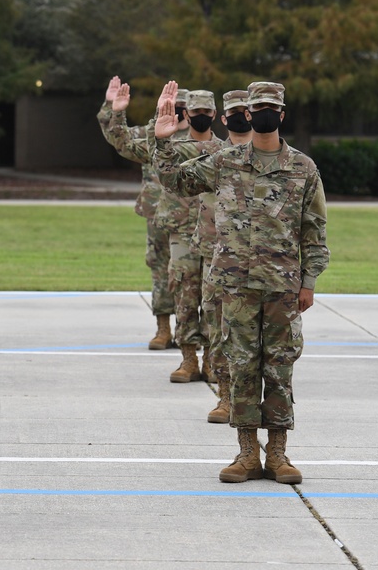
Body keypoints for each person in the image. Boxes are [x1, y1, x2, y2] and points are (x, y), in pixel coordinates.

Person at [152, 80, 329, 484]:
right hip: (234, 286)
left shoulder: (303, 168)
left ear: (282, 115)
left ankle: (279, 455)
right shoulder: (226, 162)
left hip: (283, 288)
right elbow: (175, 181)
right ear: (247, 116)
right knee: (241, 366)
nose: (264, 114)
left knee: (280, 367)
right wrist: (162, 142)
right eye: (257, 107)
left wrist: (309, 281)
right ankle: (248, 453)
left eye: (272, 107)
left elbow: (314, 230)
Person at [147, 89, 225, 385]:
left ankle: (212, 361)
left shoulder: (225, 150)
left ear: (214, 115)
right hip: (181, 232)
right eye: (196, 112)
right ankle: (189, 358)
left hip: (212, 233)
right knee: (184, 294)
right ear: (187, 114)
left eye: (207, 112)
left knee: (213, 299)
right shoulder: (174, 148)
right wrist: (160, 134)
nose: (201, 117)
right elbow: (160, 168)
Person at [97, 77, 181, 350]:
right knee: (159, 268)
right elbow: (117, 138)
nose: (176, 111)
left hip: (194, 218)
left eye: (180, 107)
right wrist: (112, 107)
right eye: (171, 105)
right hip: (157, 212)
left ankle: (192, 332)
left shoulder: (201, 142)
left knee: (194, 274)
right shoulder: (151, 135)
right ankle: (163, 328)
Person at [203, 89, 254, 423]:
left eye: (244, 110)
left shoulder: (282, 159)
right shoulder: (214, 155)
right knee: (220, 329)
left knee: (258, 342)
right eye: (232, 111)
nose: (238, 116)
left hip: (266, 266)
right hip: (220, 257)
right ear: (224, 118)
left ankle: (254, 404)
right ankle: (224, 396)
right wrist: (162, 141)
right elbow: (172, 177)